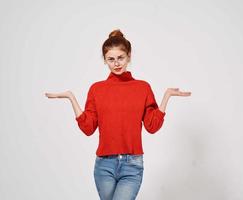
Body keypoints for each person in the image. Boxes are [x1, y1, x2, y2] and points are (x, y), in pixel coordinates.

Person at [45, 29, 191, 200]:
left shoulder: (142, 88)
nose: (116, 63)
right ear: (105, 61)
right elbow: (88, 128)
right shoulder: (96, 89)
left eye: (120, 58)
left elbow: (152, 126)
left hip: (132, 165)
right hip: (104, 166)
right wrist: (71, 98)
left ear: (129, 56)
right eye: (111, 59)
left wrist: (166, 97)